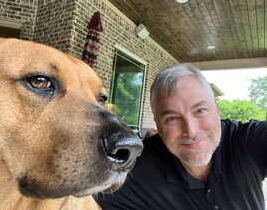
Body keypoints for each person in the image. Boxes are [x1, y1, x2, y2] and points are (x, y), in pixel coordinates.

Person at [94, 64, 267, 210]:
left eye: (200, 111)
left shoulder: (247, 139)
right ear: (158, 125)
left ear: (216, 109)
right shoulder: (134, 171)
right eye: (172, 119)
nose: (191, 131)